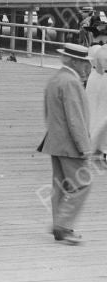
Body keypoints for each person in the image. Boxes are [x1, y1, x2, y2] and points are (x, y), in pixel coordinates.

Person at [40, 43, 93, 245]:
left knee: (60, 185)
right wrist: (84, 146)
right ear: (75, 62)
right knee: (83, 184)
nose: (86, 67)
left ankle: (60, 227)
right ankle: (62, 225)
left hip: (55, 141)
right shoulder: (71, 82)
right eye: (83, 62)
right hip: (71, 145)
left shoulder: (56, 79)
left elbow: (48, 113)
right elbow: (75, 118)